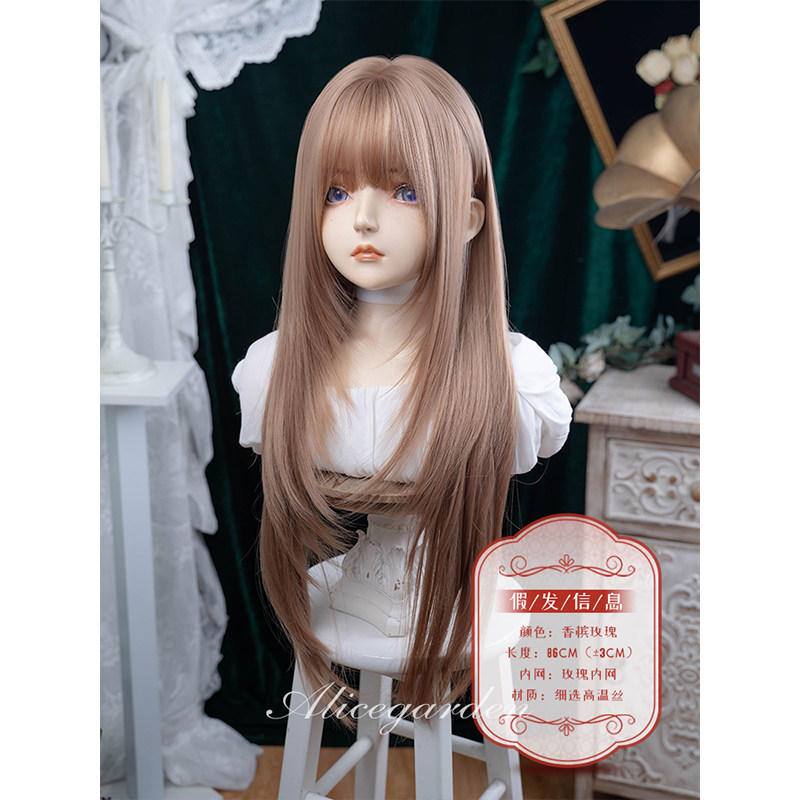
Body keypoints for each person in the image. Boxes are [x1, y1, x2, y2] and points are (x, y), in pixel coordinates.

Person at [233, 55, 571, 710]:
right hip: (360, 594)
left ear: (467, 219)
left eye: (403, 190)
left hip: (446, 592)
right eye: (336, 192)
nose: (362, 217)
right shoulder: (275, 372)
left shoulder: (509, 380)